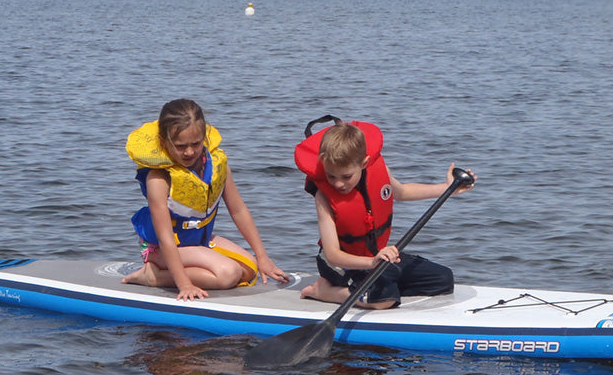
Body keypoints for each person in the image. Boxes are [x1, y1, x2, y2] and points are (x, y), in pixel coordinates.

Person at [293, 116, 475, 309]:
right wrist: (372, 263)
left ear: (364, 163)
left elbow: (403, 192)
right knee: (385, 299)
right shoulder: (324, 196)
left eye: (346, 176)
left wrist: (446, 189)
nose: (338, 183)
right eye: (331, 176)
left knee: (442, 280)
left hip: (375, 257)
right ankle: (324, 291)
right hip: (340, 264)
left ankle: (374, 288)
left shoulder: (378, 171)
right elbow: (332, 255)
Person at [123, 99, 286, 300]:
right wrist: (184, 284)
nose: (190, 152)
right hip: (161, 249)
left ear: (205, 137)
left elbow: (239, 211)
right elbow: (165, 237)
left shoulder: (218, 166)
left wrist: (263, 257)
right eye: (181, 146)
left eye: (196, 144)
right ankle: (153, 276)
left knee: (249, 270)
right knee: (228, 274)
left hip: (198, 241)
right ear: (164, 142)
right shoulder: (159, 179)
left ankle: (172, 272)